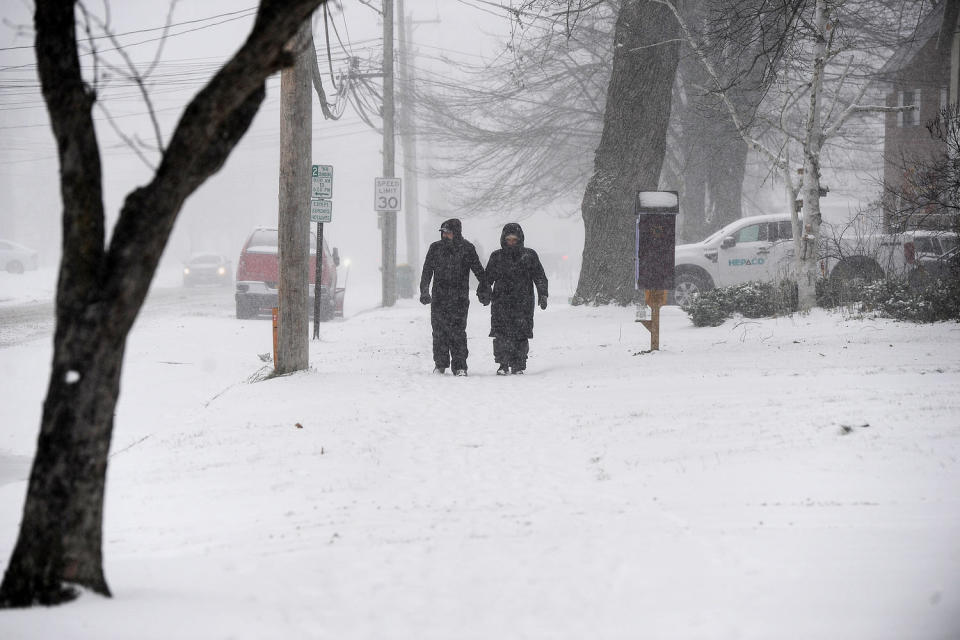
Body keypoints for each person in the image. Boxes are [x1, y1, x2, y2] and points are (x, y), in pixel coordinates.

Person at [419, 218, 488, 376]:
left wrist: (484, 287)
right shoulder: (435, 248)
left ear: (456, 233)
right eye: (443, 233)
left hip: (459, 299)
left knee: (458, 332)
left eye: (448, 233)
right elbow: (427, 272)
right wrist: (424, 290)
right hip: (439, 298)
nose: (445, 236)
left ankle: (460, 366)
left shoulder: (467, 248)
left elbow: (478, 270)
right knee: (439, 332)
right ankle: (440, 364)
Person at [483, 223, 548, 375]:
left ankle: (519, 364)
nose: (511, 242)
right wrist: (484, 294)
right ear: (503, 239)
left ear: (520, 239)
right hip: (501, 302)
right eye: (508, 239)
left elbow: (539, 276)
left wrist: (543, 294)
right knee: (501, 334)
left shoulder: (529, 256)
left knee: (521, 333)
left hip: (523, 302)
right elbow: (487, 278)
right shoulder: (497, 256)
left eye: (514, 239)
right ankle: (503, 364)